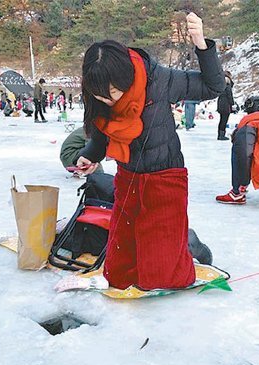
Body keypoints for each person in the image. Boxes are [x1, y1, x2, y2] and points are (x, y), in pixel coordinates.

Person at [76, 13, 225, 291]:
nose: (107, 100)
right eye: (100, 95)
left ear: (127, 77)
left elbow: (213, 86)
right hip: (128, 178)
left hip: (164, 178)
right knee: (119, 274)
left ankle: (192, 247)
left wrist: (201, 45)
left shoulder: (160, 79)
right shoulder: (97, 93)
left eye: (113, 93)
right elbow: (100, 134)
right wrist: (90, 155)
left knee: (161, 278)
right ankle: (172, 244)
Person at [216, 71, 235, 140]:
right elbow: (229, 95)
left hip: (221, 103)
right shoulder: (227, 83)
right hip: (225, 104)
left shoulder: (220, 83)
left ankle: (220, 134)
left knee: (221, 120)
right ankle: (221, 135)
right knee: (224, 120)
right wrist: (232, 104)